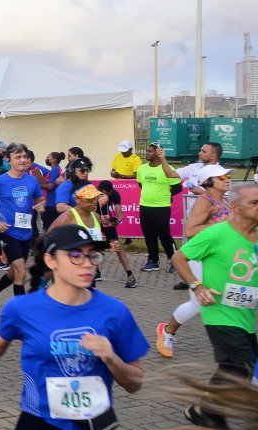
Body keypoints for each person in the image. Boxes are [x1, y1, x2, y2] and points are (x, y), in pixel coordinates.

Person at [0, 225, 146, 430]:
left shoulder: (115, 311)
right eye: (75, 255)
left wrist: (111, 358)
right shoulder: (22, 308)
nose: (87, 263)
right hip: (39, 428)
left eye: (92, 255)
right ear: (51, 260)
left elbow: (135, 383)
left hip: (92, 428)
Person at [170, 181, 258, 429]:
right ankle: (208, 413)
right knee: (242, 366)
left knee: (232, 368)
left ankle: (203, 410)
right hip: (219, 313)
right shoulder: (217, 233)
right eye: (254, 203)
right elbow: (179, 257)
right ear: (236, 207)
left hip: (246, 315)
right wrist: (197, 286)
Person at [156, 164, 233, 358]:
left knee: (225, 295)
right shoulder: (204, 201)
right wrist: (223, 224)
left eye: (228, 176)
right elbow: (190, 231)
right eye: (222, 177)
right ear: (209, 182)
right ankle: (167, 332)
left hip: (218, 257)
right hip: (200, 257)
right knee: (198, 303)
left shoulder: (225, 200)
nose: (228, 179)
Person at [0, 143, 45, 315]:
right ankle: (22, 314)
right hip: (7, 231)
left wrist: (40, 206)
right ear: (8, 160)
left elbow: (40, 199)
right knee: (21, 271)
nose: (23, 160)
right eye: (18, 157)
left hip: (26, 231)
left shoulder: (31, 180)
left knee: (14, 272)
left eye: (25, 156)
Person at [52, 184, 136, 288]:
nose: (94, 202)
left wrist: (109, 246)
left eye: (95, 199)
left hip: (87, 270)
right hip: (71, 271)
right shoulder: (69, 216)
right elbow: (48, 238)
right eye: (89, 200)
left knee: (89, 298)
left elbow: (93, 244)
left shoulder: (96, 217)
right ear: (78, 200)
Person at [136, 143, 181, 273]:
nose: (147, 153)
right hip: (144, 206)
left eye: (150, 151)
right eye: (147, 150)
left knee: (164, 235)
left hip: (161, 207)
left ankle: (175, 260)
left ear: (158, 153)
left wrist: (164, 195)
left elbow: (177, 188)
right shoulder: (142, 169)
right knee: (149, 235)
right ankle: (153, 261)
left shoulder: (167, 169)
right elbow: (141, 185)